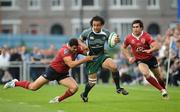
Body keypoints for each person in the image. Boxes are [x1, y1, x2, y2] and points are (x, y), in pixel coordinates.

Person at [3, 38, 95, 103]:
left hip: (63, 74)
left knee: (74, 88)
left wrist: (83, 45)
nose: (76, 50)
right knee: (33, 87)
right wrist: (85, 59)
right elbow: (71, 64)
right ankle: (15, 83)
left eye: (76, 48)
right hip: (52, 71)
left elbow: (87, 51)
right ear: (69, 46)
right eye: (74, 48)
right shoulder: (64, 51)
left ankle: (58, 99)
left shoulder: (76, 47)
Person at [78, 16, 128, 102]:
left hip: (102, 55)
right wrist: (84, 46)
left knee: (114, 66)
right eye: (94, 25)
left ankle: (118, 88)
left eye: (98, 25)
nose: (96, 27)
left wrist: (116, 41)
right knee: (92, 83)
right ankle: (84, 94)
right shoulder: (87, 32)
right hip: (91, 58)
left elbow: (112, 43)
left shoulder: (106, 33)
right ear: (92, 25)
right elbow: (79, 40)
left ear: (102, 25)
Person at [121, 19, 168, 99]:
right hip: (140, 60)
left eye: (137, 27)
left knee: (159, 77)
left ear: (141, 28)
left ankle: (164, 90)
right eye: (133, 27)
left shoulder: (146, 36)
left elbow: (157, 46)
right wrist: (129, 57)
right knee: (146, 74)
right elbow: (123, 47)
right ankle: (162, 90)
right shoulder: (129, 38)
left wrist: (150, 50)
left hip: (150, 59)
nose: (135, 29)